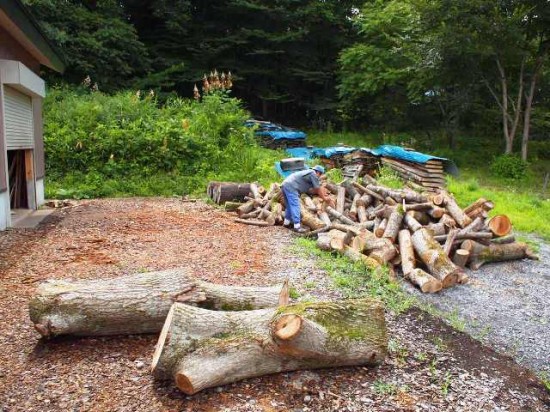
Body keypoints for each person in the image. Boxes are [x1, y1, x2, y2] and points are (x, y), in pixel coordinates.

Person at [281, 165, 334, 233]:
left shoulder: (308, 173)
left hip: (285, 184)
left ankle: (286, 223)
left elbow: (313, 190)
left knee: (289, 205)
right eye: (320, 174)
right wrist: (324, 198)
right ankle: (297, 227)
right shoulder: (313, 173)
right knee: (296, 205)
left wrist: (324, 194)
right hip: (291, 186)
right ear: (318, 172)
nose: (319, 176)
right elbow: (317, 189)